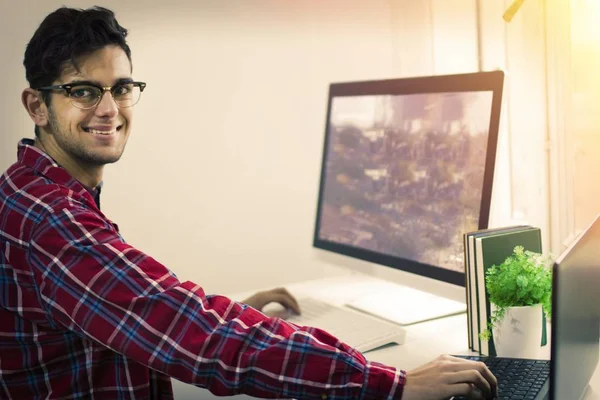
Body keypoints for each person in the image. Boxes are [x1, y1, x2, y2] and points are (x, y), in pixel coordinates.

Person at [0, 6, 497, 400]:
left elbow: (142, 313)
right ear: (37, 105)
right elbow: (191, 332)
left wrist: (233, 312)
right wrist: (394, 385)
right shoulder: (52, 219)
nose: (109, 109)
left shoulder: (33, 191)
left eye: (122, 88)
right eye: (84, 91)